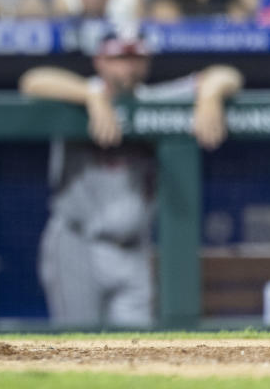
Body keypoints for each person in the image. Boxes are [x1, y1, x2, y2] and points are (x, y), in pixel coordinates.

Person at [19, 30, 243, 327]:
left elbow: (227, 75)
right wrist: (91, 95)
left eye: (135, 57)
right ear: (99, 61)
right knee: (76, 341)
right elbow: (32, 81)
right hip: (77, 242)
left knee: (138, 343)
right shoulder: (78, 95)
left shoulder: (154, 99)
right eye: (118, 58)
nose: (127, 67)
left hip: (134, 246)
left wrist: (210, 95)